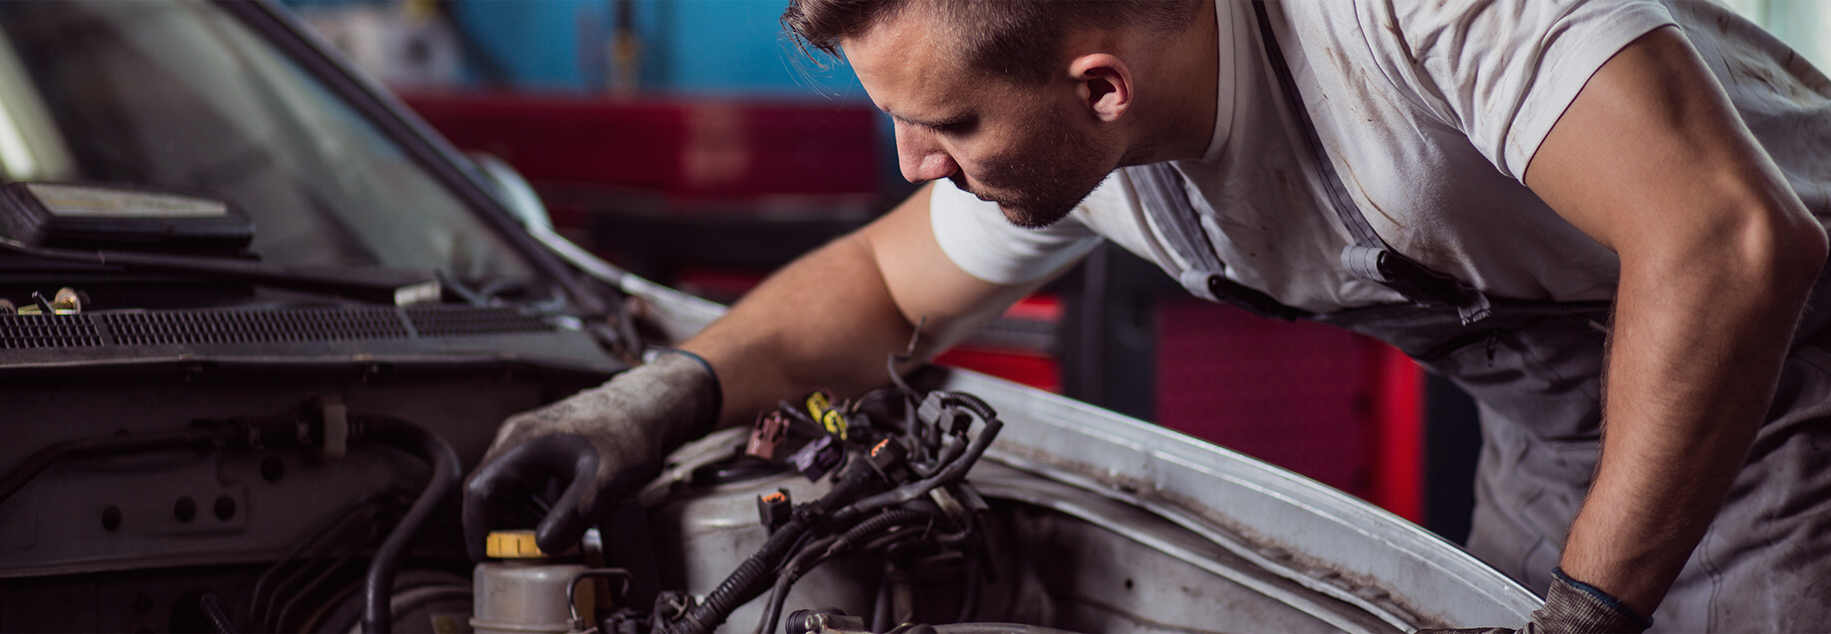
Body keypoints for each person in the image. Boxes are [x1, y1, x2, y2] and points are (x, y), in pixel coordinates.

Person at [464, 0, 1831, 631]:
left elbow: (1726, 241)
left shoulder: (1422, 14)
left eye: (942, 127)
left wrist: (1586, 617)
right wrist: (651, 398)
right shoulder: (1088, 140)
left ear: (1101, 85)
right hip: (1557, 422)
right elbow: (880, 286)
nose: (913, 165)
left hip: (1787, 370)